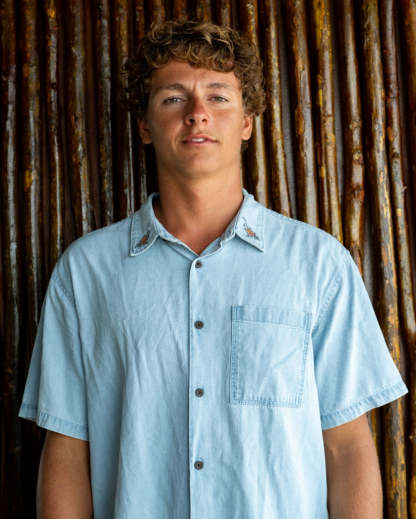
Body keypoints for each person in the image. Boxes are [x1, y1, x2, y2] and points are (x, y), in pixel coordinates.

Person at [19, 20, 408, 519]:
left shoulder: (318, 264)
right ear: (145, 126)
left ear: (246, 122)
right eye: (173, 98)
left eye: (219, 97)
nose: (197, 113)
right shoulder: (85, 273)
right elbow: (68, 451)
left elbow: (347, 446)